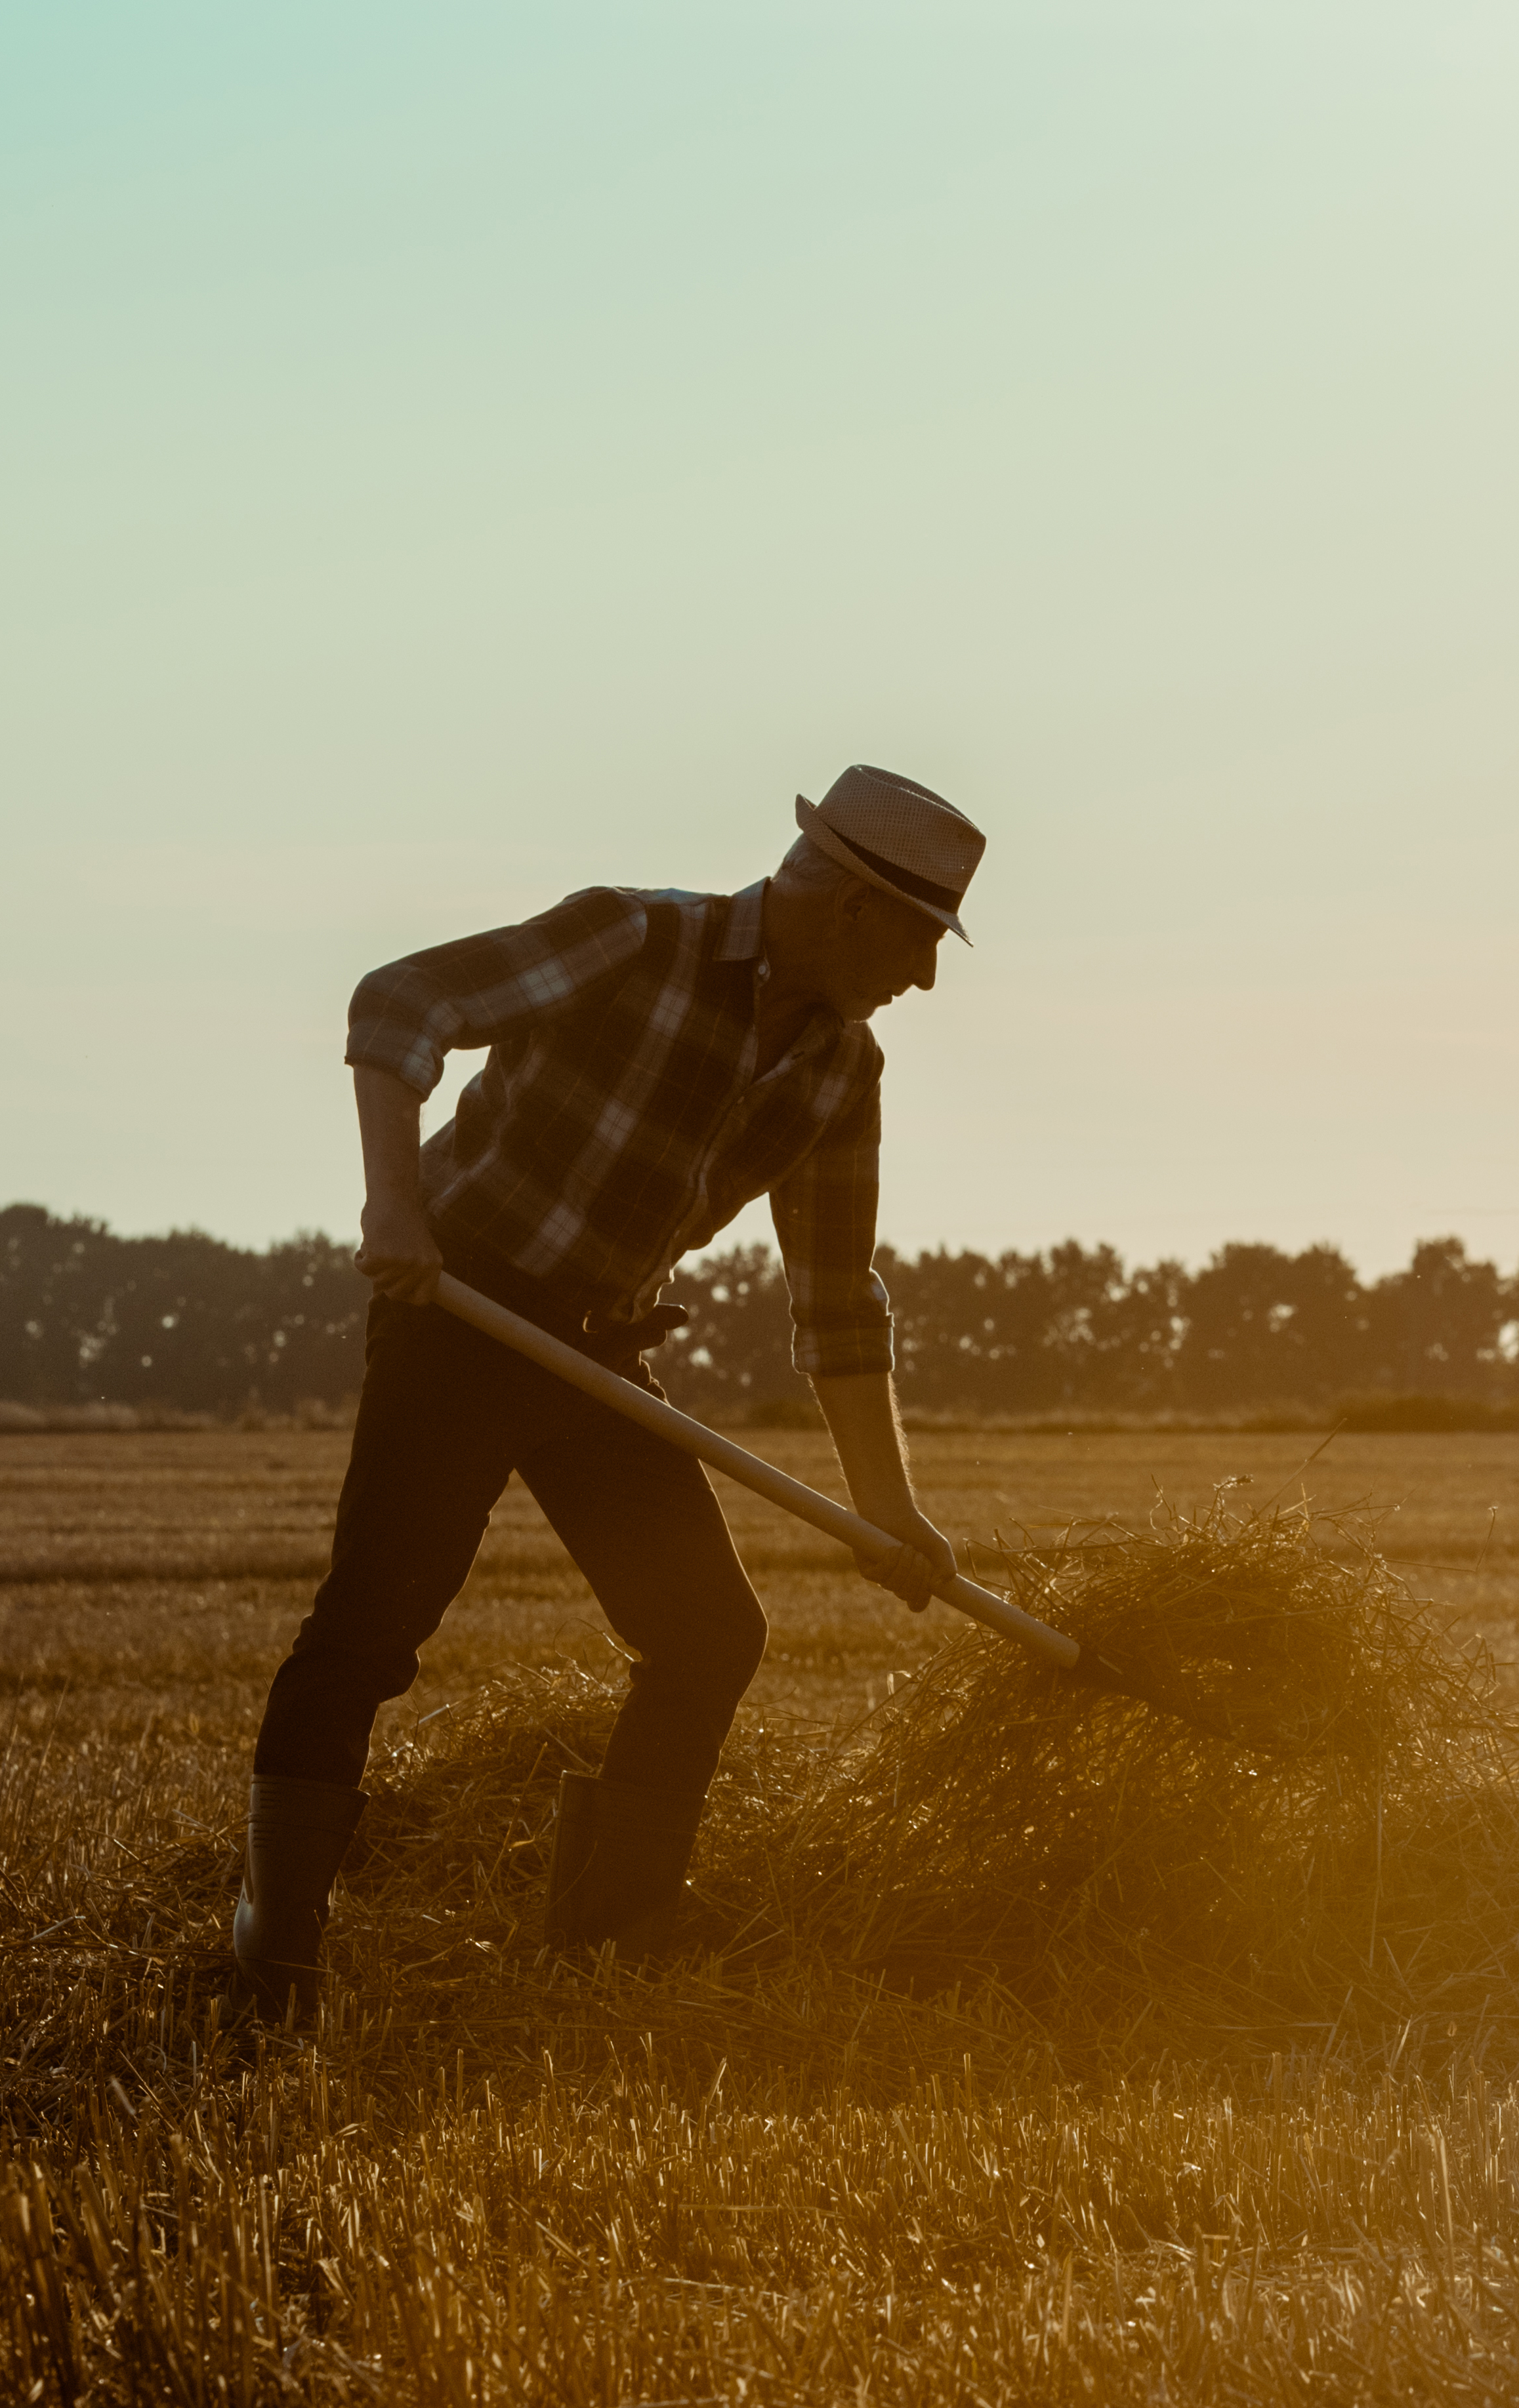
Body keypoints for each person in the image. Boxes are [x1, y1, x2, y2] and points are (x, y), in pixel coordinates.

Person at [222, 765, 981, 2026]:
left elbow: (838, 1299)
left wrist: (889, 1509)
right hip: (459, 1313)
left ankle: (611, 1936)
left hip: (597, 1355)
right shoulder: (635, 934)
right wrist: (396, 1202)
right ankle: (276, 1943)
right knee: (371, 1629)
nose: (925, 977)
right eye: (921, 938)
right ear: (852, 907)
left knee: (709, 1636)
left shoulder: (843, 1073)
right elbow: (402, 998)